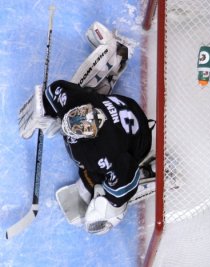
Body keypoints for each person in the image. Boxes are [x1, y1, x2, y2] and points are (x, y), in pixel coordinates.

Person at [19, 80, 152, 234]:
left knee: (101, 188)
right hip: (125, 107)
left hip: (140, 139)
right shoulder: (77, 102)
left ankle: (147, 172)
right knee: (85, 100)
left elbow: (125, 177)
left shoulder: (105, 154)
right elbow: (54, 89)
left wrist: (112, 203)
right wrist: (45, 110)